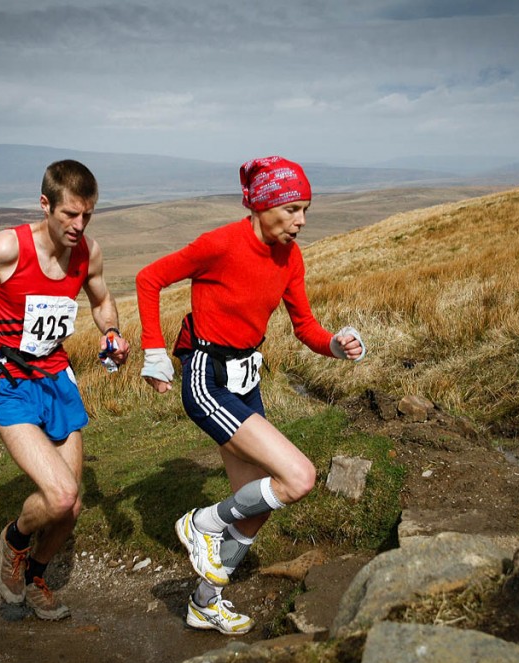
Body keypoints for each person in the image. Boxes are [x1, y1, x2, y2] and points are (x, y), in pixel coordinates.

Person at [135, 155, 366, 635]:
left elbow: (304, 326)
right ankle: (201, 524)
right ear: (263, 205)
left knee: (258, 504)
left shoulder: (291, 257)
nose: (301, 221)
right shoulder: (220, 243)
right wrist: (154, 351)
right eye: (293, 209)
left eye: (305, 210)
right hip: (207, 375)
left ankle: (204, 603)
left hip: (246, 378)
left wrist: (334, 345)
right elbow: (149, 278)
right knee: (299, 477)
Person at [0, 159, 129, 620]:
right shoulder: (6, 248)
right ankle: (14, 539)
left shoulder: (88, 252)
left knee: (71, 506)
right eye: (69, 214)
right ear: (45, 205)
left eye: (87, 215)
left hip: (57, 379)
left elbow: (101, 299)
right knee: (59, 494)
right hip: (9, 382)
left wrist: (111, 332)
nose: (79, 225)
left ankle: (35, 576)